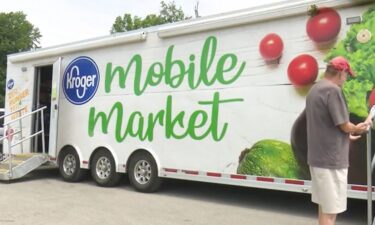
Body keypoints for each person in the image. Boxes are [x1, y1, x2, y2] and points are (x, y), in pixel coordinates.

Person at [305, 56, 369, 225]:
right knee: (331, 212)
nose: (346, 79)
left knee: (324, 208)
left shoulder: (315, 88)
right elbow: (344, 125)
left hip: (317, 159)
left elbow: (324, 123)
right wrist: (357, 128)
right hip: (331, 160)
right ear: (341, 72)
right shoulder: (332, 90)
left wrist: (347, 135)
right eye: (346, 75)